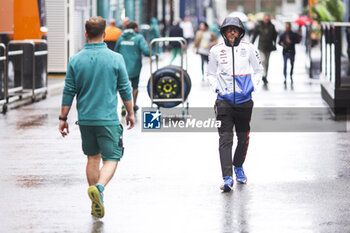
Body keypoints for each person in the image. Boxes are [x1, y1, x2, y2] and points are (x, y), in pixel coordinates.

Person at [59, 17, 135, 218]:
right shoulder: (116, 58)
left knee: (92, 158)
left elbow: (69, 91)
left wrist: (63, 118)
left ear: (86, 34)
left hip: (85, 120)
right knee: (112, 157)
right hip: (108, 119)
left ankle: (96, 200)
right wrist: (131, 112)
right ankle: (99, 188)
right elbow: (125, 89)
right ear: (104, 34)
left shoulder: (75, 60)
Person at [207, 16, 263, 192]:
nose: (232, 32)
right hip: (224, 102)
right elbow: (210, 74)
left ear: (240, 32)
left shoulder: (249, 48)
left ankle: (238, 165)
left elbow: (259, 70)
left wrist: (252, 86)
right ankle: (227, 178)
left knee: (243, 138)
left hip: (244, 102)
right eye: (228, 29)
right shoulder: (215, 50)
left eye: (235, 29)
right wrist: (217, 89)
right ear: (223, 32)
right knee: (225, 139)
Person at [115, 22, 150, 115]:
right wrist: (153, 53)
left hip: (122, 66)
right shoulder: (139, 38)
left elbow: (116, 51)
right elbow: (146, 50)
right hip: (135, 66)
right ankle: (133, 105)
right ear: (135, 28)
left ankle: (123, 105)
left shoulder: (120, 37)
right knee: (135, 86)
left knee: (122, 86)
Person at [251, 14, 277, 85]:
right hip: (261, 46)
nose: (266, 20)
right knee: (263, 60)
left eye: (267, 19)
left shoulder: (272, 26)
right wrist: (251, 43)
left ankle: (265, 76)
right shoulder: (259, 26)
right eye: (265, 18)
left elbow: (275, 36)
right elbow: (255, 35)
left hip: (269, 47)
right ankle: (263, 74)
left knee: (267, 62)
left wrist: (275, 44)